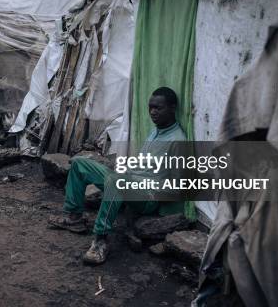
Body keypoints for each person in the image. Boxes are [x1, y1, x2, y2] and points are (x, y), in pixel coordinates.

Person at [48, 87, 187, 264]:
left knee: (116, 182)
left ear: (173, 108)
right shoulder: (156, 131)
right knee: (79, 164)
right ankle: (73, 218)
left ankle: (100, 239)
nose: (152, 112)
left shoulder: (178, 140)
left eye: (158, 108)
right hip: (128, 183)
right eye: (150, 107)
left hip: (147, 197)